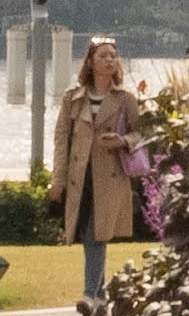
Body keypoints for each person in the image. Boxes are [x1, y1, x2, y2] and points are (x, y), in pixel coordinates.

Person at [55, 37, 152, 302]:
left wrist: (122, 141)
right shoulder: (72, 98)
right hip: (80, 177)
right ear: (90, 62)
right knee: (89, 234)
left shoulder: (125, 99)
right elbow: (61, 140)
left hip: (109, 177)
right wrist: (58, 179)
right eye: (103, 56)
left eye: (113, 55)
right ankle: (98, 294)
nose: (109, 60)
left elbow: (142, 133)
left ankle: (91, 294)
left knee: (96, 234)